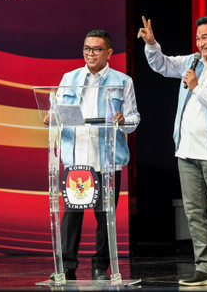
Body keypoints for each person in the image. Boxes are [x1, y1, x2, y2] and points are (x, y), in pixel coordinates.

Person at [137, 15, 207, 288]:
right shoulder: (192, 62)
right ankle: (205, 266)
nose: (200, 43)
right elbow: (162, 65)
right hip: (186, 151)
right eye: (198, 38)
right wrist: (152, 44)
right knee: (194, 212)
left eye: (205, 37)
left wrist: (196, 87)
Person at [45, 29, 140, 281]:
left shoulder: (123, 81)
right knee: (72, 215)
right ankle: (66, 267)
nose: (90, 54)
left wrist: (122, 119)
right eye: (87, 49)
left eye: (96, 49)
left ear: (108, 53)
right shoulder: (70, 78)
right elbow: (58, 112)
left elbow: (134, 119)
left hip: (107, 160)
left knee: (105, 216)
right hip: (76, 159)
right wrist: (51, 118)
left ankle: (100, 267)